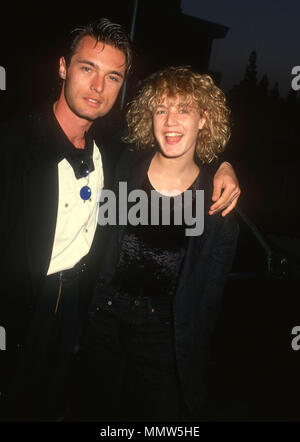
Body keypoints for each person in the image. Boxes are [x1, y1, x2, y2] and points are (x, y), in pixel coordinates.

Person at [0, 18, 239, 421]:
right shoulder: (13, 146)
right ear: (62, 67)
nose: (98, 87)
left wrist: (227, 165)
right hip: (29, 314)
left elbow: (181, 153)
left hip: (86, 315)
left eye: (113, 76)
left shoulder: (112, 155)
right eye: (86, 68)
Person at [75, 66, 239, 421]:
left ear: (203, 120)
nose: (170, 121)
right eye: (161, 109)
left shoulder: (217, 206)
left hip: (165, 337)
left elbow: (207, 305)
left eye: (183, 109)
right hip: (104, 320)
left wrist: (227, 165)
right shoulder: (125, 166)